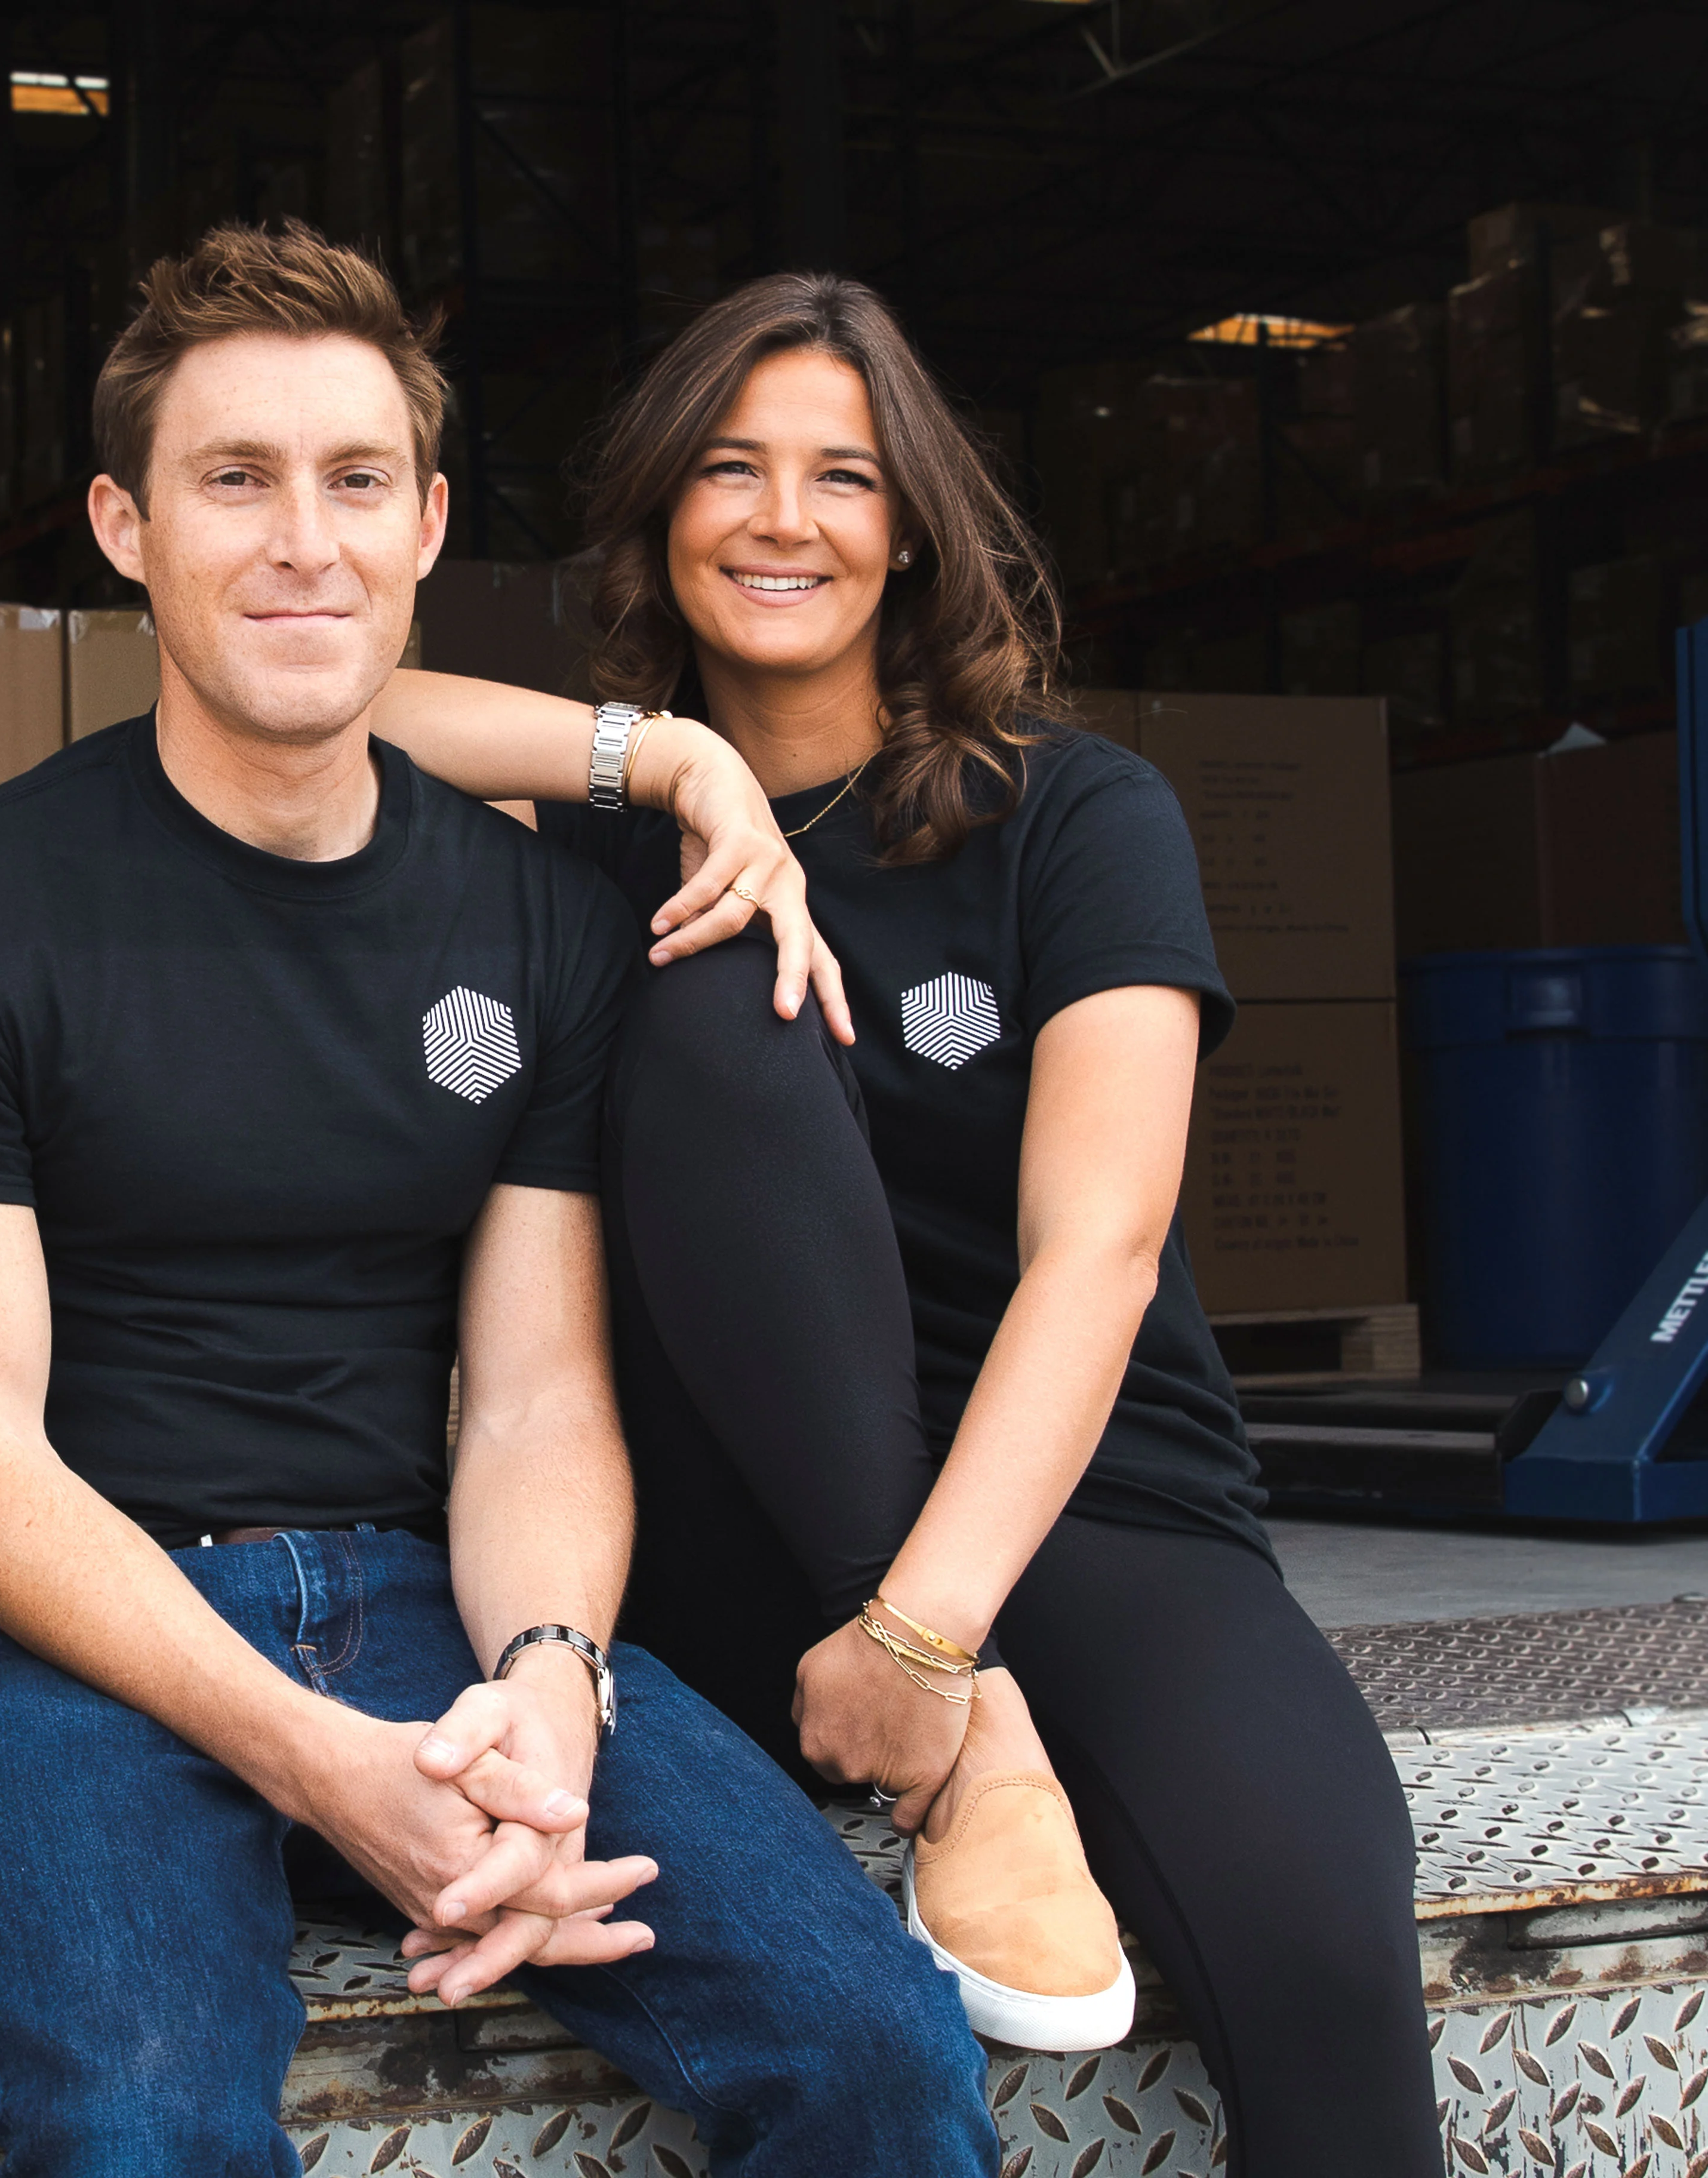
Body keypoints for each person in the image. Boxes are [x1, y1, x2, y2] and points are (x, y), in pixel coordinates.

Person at [0, 222, 995, 2178]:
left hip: (430, 1601)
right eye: (232, 480)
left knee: (877, 2053)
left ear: (428, 526)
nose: (301, 541)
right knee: (142, 2133)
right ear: (125, 526)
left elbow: (530, 1405)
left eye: (355, 481)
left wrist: (547, 1688)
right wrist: (319, 1764)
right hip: (52, 1635)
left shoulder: (531, 924)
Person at [369, 272, 1441, 2173]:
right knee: (711, 979)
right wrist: (677, 766)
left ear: (915, 526)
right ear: (659, 511)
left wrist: (931, 1636)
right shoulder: (602, 836)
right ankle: (986, 1760)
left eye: (844, 478)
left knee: (1327, 1960)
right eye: (731, 467)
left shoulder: (1076, 816)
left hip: (1080, 1497)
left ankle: (971, 1715)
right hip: (738, 1526)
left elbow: (1100, 1248)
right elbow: (316, 696)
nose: (786, 518)